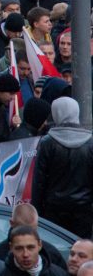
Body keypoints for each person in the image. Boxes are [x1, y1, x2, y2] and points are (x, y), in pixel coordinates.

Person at [31, 97, 93, 237]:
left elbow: (39, 181)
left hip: (53, 210)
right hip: (83, 209)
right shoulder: (90, 142)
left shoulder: (47, 142)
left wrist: (37, 210)